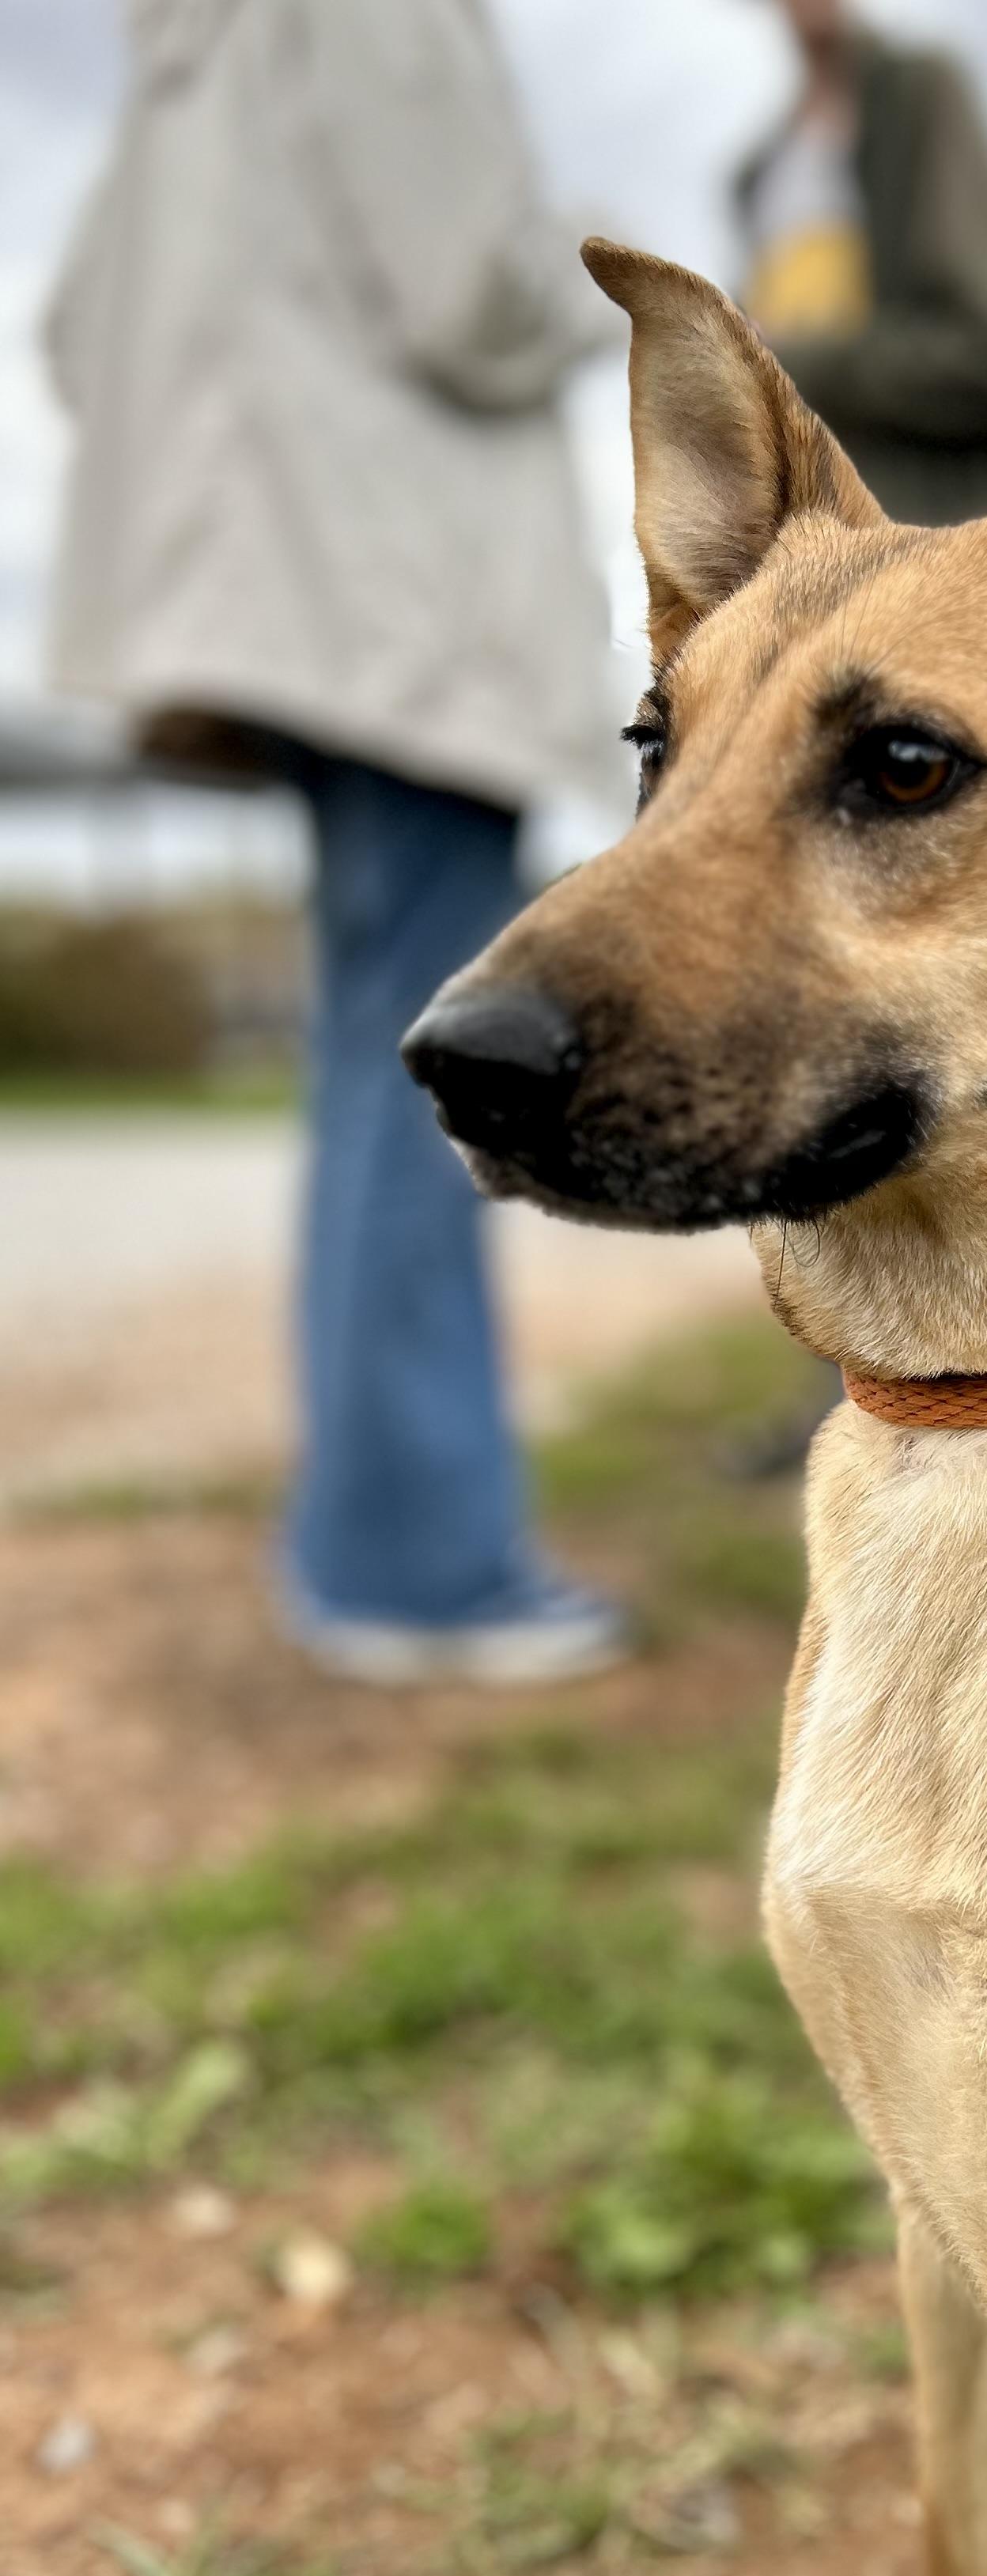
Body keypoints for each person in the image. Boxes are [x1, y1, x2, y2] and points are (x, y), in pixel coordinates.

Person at [46, 0, 627, 1685]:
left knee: (367, 1055)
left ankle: (361, 1522)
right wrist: (596, 278)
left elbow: (86, 324)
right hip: (401, 619)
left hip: (281, 612)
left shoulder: (194, 39)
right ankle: (419, 1558)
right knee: (424, 1067)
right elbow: (475, 295)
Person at [733, 0, 987, 527]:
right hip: (832, 571)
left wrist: (790, 361)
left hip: (955, 552)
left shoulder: (919, 96)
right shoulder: (757, 177)